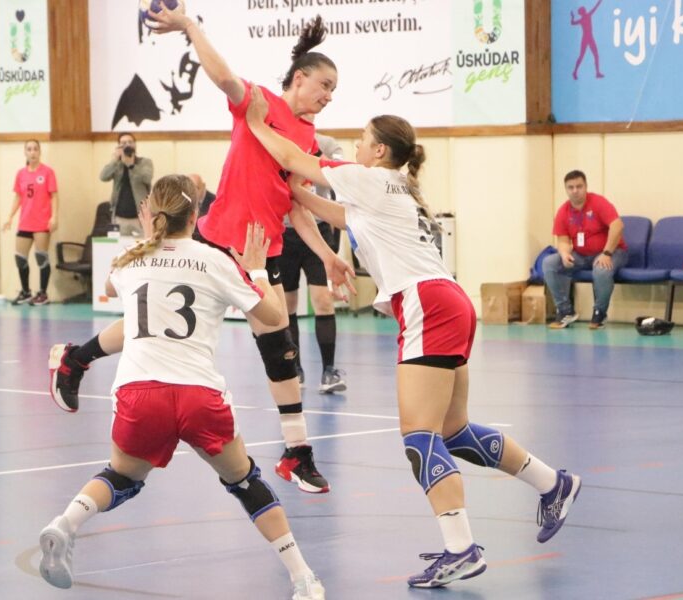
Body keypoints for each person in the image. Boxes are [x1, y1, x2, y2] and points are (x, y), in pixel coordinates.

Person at [245, 88, 581, 588]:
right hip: (448, 300)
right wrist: (294, 196)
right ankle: (553, 483)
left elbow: (295, 158)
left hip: (426, 303)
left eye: (362, 140)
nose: (357, 147)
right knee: (453, 431)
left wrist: (255, 124)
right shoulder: (392, 188)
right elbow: (328, 210)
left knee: (420, 437)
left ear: (379, 150)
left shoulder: (368, 178)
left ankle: (460, 548)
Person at [48, 5, 355, 495]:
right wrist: (190, 26)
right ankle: (76, 360)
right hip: (216, 241)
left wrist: (327, 256)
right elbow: (223, 77)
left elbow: (296, 204)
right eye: (325, 86)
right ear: (300, 78)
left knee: (278, 344)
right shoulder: (260, 104)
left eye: (334, 91)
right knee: (157, 321)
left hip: (261, 252)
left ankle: (296, 452)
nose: (328, 97)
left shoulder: (308, 139)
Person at [38, 175, 325, 600]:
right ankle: (303, 578)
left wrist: (146, 237)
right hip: (198, 395)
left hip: (139, 393)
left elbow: (111, 287)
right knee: (244, 481)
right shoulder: (214, 261)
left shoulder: (130, 260)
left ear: (151, 215)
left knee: (122, 474)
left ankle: (65, 524)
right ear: (196, 217)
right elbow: (275, 318)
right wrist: (257, 270)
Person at [279, 132, 346, 393]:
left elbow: (337, 171)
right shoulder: (280, 141)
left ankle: (329, 370)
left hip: (318, 228)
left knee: (323, 300)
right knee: (288, 303)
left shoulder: (327, 143)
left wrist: (313, 154)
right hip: (285, 231)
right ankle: (295, 369)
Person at [543, 170, 627, 329]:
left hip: (612, 251)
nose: (575, 191)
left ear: (586, 186)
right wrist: (564, 254)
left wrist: (606, 253)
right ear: (566, 189)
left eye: (579, 186)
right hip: (581, 255)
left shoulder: (598, 202)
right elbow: (563, 240)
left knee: (601, 268)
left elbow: (617, 226)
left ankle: (600, 313)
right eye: (571, 187)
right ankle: (565, 311)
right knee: (550, 263)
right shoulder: (563, 211)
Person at [3, 140, 58, 306]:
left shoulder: (47, 172)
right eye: (29, 149)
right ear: (25, 152)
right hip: (25, 221)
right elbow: (18, 197)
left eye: (35, 149)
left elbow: (54, 196)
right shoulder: (21, 174)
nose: (32, 152)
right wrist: (10, 217)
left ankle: (43, 293)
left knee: (41, 257)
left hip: (41, 222)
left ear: (39, 152)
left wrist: (54, 217)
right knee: (20, 258)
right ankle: (26, 292)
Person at [101, 132, 154, 237]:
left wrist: (131, 165)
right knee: (121, 246)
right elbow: (103, 177)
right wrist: (115, 160)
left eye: (130, 142)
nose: (127, 145)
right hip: (120, 217)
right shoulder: (117, 164)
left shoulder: (144, 162)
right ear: (119, 146)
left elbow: (147, 178)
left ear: (135, 145)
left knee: (144, 244)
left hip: (140, 216)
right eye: (123, 143)